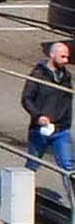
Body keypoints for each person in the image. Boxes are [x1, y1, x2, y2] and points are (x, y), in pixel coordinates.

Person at [32, 37, 75, 179]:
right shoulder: (38, 75)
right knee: (32, 164)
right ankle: (19, 189)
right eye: (62, 56)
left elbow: (67, 101)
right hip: (40, 129)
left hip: (61, 130)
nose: (66, 60)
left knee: (68, 167)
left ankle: (72, 193)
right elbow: (26, 99)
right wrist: (38, 116)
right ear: (52, 55)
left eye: (67, 57)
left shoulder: (66, 77)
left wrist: (66, 122)